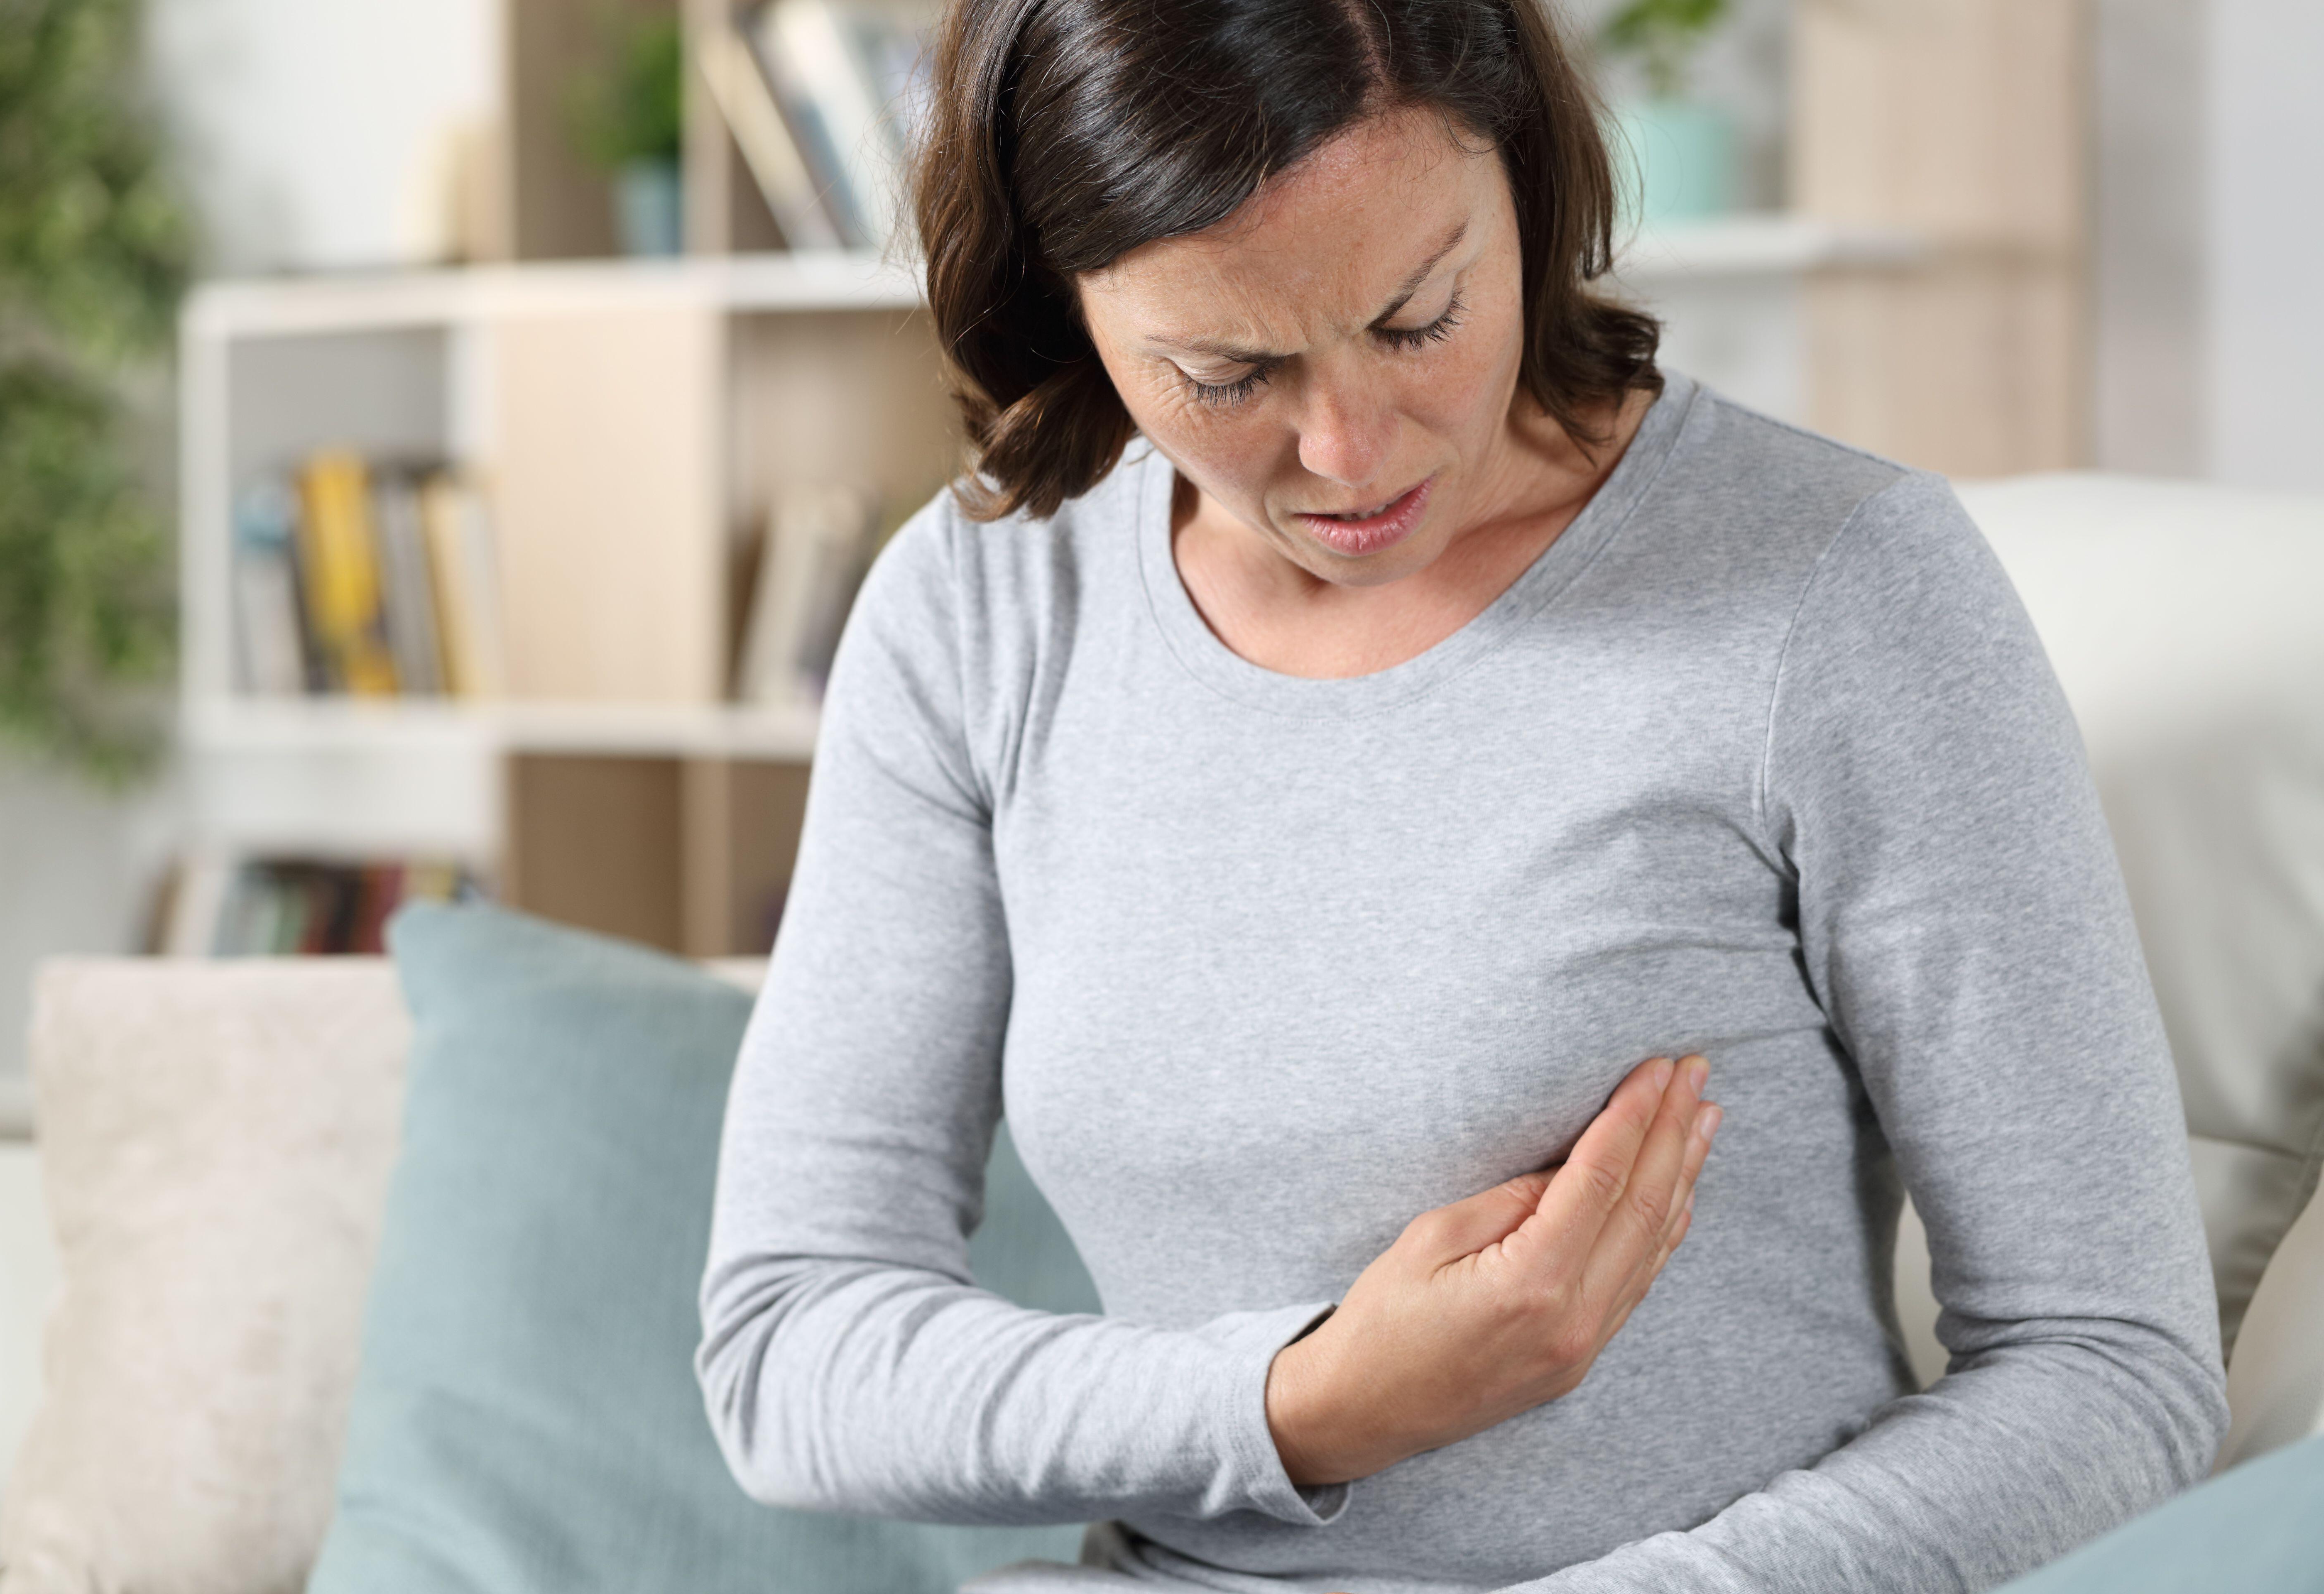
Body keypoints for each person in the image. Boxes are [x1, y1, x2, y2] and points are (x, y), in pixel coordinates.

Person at [697, 0, 2229, 1589]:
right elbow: (790, 1347)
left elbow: (2113, 1370)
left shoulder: (1840, 590)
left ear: (1530, 189)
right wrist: (1302, 1404)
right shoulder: (980, 612)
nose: (1351, 450)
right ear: (1064, 311)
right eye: (1227, 371)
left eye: (1422, 318)